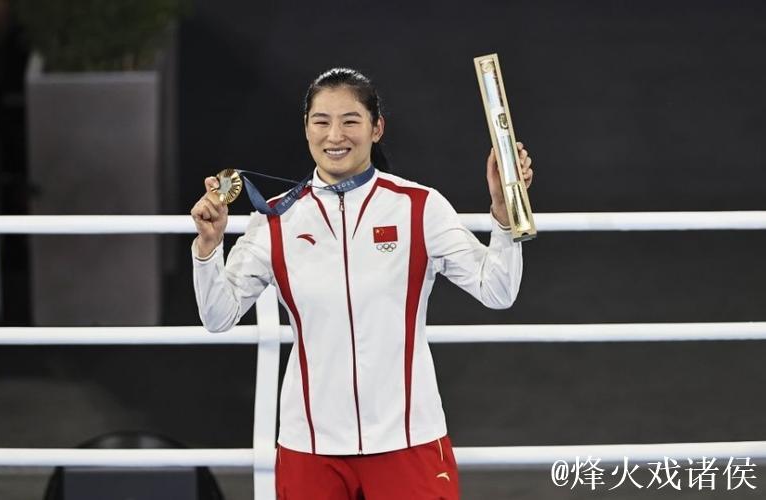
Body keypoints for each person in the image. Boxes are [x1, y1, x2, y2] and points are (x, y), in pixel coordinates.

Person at [191, 67, 534, 500]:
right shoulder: (275, 219)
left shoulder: (419, 206)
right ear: (306, 128)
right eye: (322, 121)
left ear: (376, 128)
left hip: (409, 439)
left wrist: (503, 215)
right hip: (309, 447)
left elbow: (497, 290)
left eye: (350, 120)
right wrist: (209, 247)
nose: (335, 135)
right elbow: (218, 316)